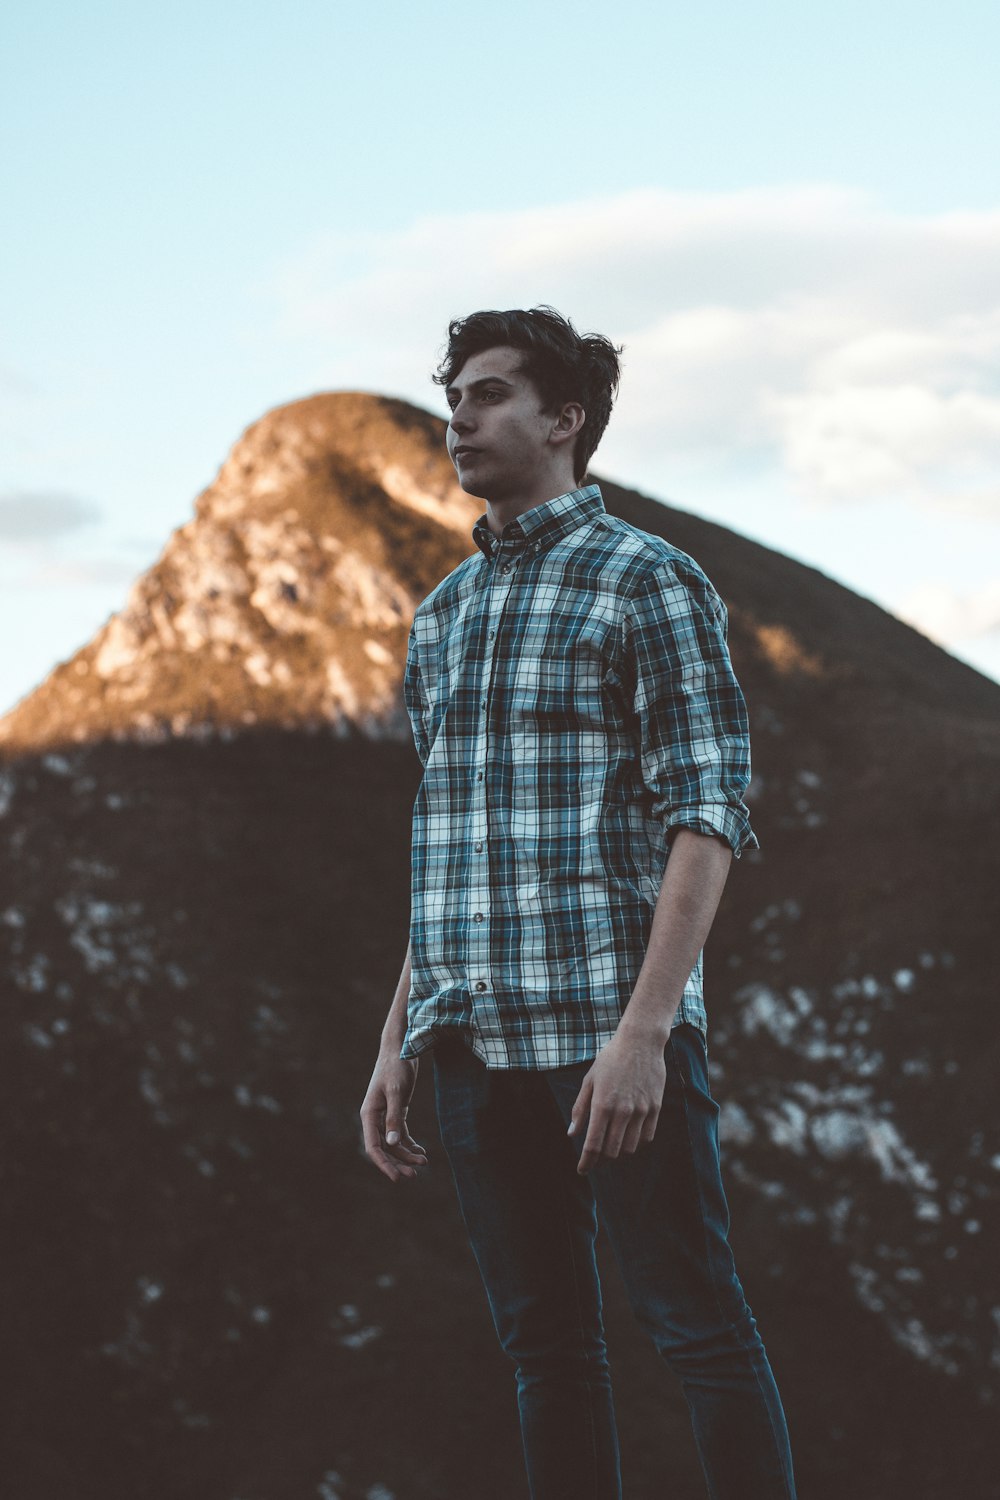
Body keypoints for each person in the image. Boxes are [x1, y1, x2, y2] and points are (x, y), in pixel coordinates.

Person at [360, 306, 796, 1500]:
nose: (461, 414)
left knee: (695, 1324)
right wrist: (400, 1034)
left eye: (491, 393)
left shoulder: (648, 581)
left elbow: (707, 815)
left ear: (565, 418)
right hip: (473, 1044)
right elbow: (443, 840)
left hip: (608, 1033)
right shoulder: (443, 615)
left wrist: (647, 1035)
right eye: (455, 394)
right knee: (544, 1353)